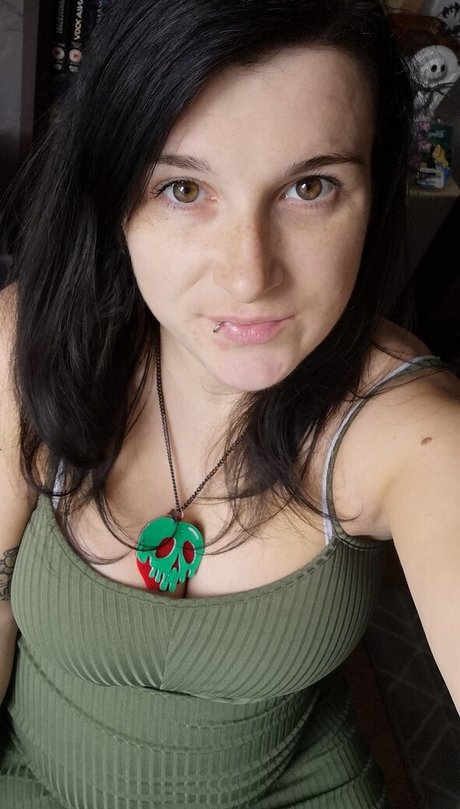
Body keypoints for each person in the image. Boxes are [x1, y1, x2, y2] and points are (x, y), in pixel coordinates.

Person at [0, 0, 459, 806]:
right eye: (184, 188)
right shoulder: (27, 342)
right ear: (113, 195)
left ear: (375, 191)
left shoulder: (409, 433)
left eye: (310, 187)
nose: (250, 276)